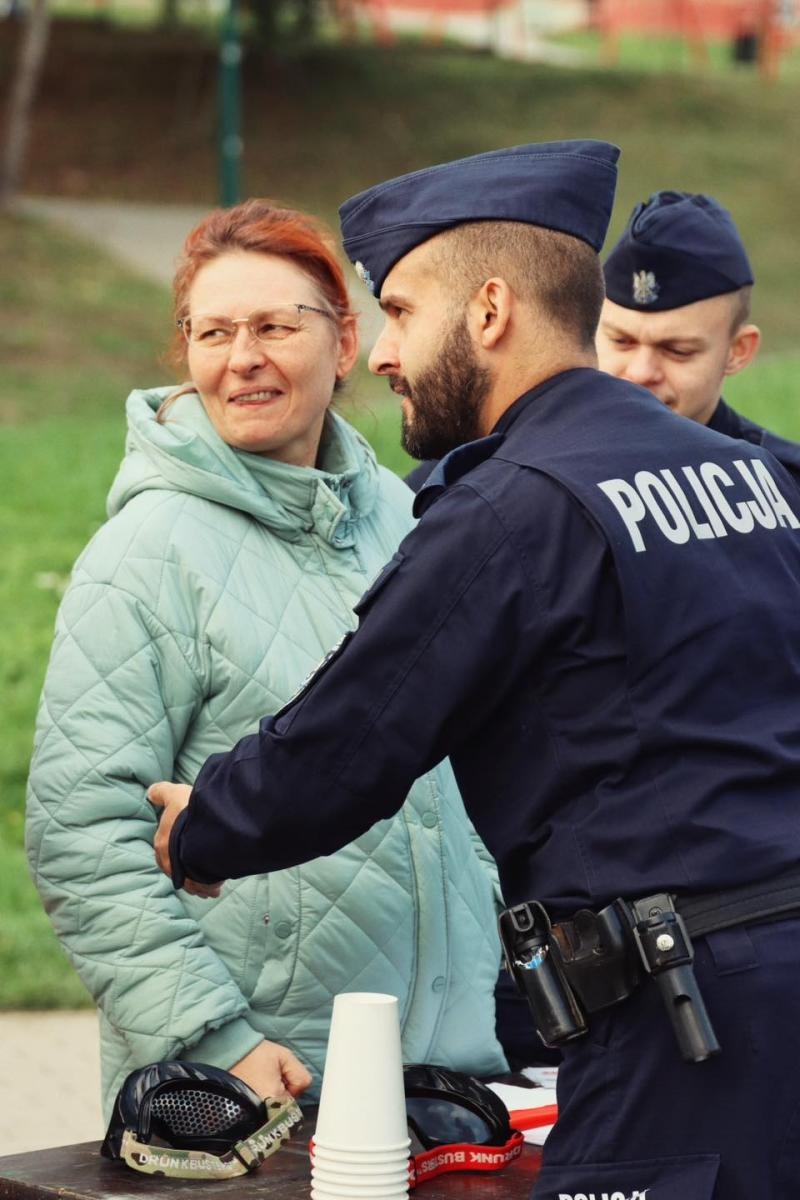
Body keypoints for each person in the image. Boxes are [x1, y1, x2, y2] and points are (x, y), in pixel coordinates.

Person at [150, 142, 800, 1199]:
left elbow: (353, 737)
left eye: (401, 312)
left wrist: (207, 825)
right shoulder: (750, 478)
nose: (384, 354)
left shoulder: (516, 500)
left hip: (679, 1033)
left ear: (487, 310)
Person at [25, 199, 509, 1120]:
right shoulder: (145, 555)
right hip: (255, 1089)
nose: (241, 356)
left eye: (275, 326)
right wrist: (216, 1041)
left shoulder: (412, 524)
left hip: (443, 1076)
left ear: (342, 342)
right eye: (213, 331)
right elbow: (79, 836)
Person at [597, 188, 800, 482]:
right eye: (621, 341)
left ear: (738, 351)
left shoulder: (787, 489)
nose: (641, 373)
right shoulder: (534, 472)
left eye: (678, 350)